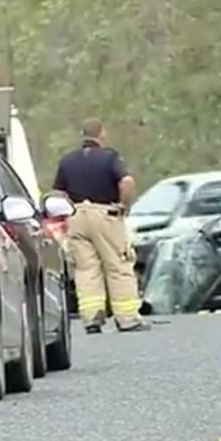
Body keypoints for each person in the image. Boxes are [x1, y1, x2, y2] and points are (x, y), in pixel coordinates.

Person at [53, 118, 151, 334]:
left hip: (76, 215)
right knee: (118, 264)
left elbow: (58, 193)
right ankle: (127, 317)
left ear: (83, 135)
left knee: (86, 269)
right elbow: (126, 182)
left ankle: (91, 318)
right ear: (101, 134)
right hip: (105, 213)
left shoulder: (68, 160)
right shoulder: (110, 157)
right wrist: (123, 205)